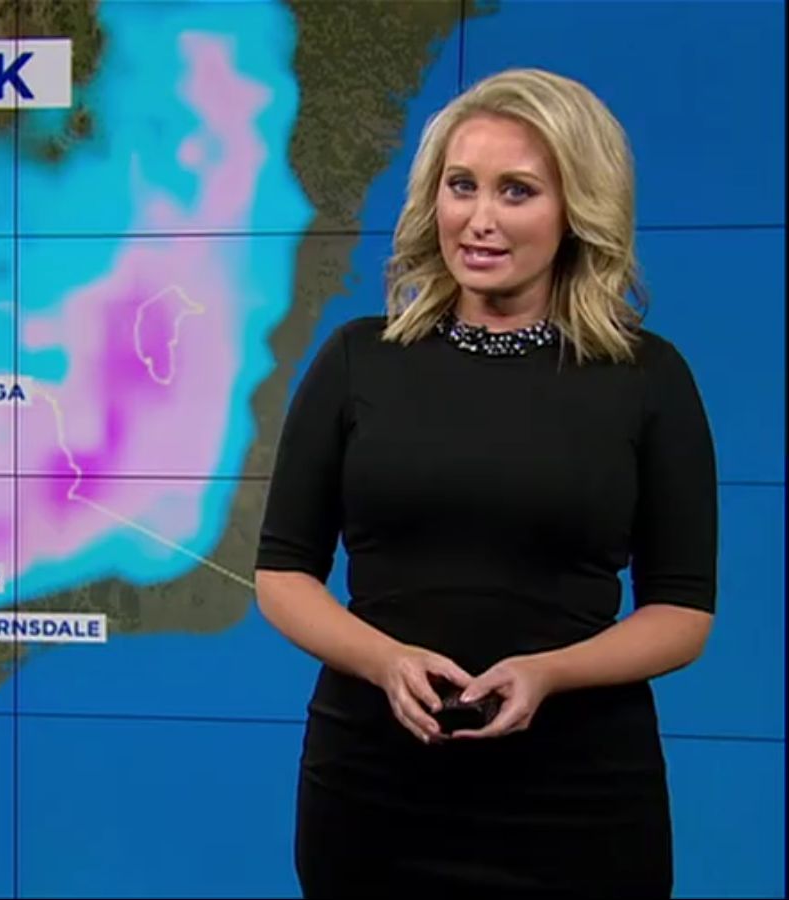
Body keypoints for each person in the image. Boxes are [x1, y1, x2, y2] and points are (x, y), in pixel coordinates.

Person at [253, 67, 718, 898]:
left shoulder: (647, 378)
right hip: (373, 788)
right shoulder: (358, 359)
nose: (480, 218)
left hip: (579, 797)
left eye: (517, 191)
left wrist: (549, 673)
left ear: (577, 209)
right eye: (461, 185)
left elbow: (681, 615)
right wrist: (385, 661)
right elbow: (283, 574)